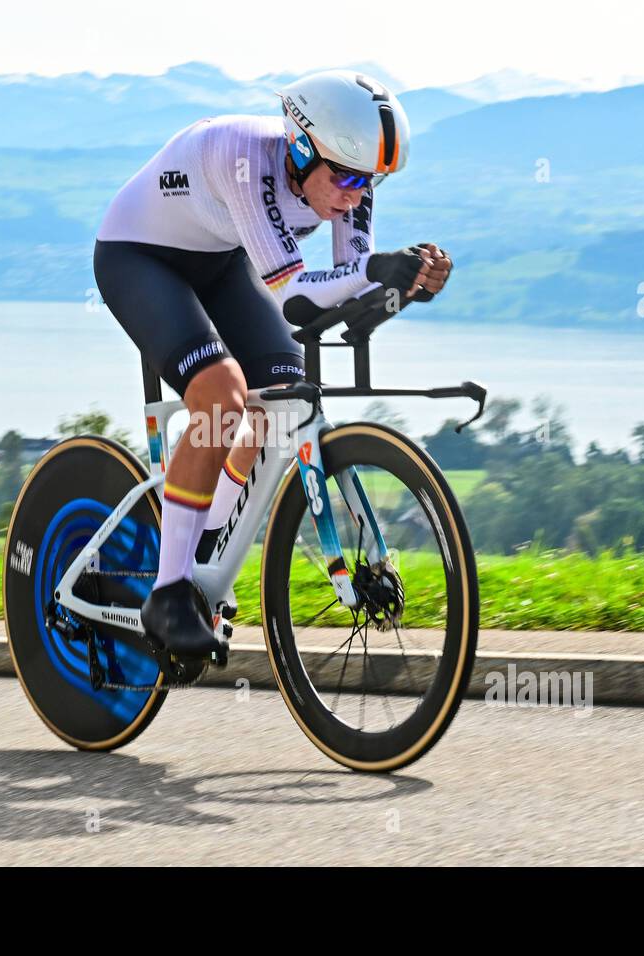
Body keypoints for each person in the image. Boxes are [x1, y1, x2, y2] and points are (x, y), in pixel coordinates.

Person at [92, 69, 453, 658]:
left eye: (370, 182)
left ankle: (207, 552)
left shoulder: (345, 179)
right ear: (304, 147)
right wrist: (377, 269)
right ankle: (169, 591)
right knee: (220, 397)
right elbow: (294, 296)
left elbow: (346, 288)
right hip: (140, 259)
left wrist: (406, 285)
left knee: (283, 399)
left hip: (218, 261)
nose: (355, 195)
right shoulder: (246, 158)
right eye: (344, 177)